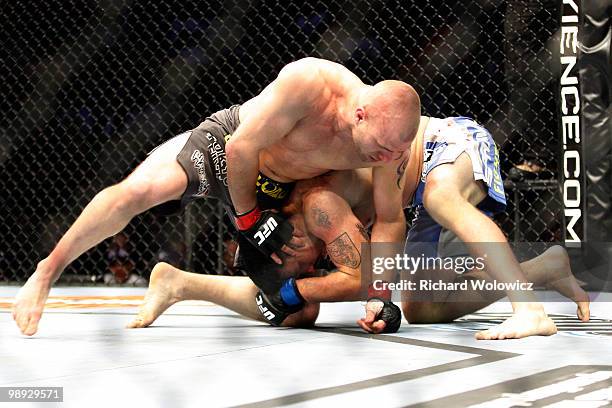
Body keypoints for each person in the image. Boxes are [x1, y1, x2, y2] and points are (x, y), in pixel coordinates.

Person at [13, 57, 420, 336]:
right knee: (139, 192)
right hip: (230, 151)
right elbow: (241, 148)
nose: (386, 159)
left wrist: (379, 297)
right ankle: (47, 270)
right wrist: (248, 221)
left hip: (278, 192)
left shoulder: (388, 146)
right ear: (360, 113)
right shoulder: (311, 84)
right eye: (383, 149)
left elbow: (388, 218)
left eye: (395, 153)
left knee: (296, 311)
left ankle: (178, 282)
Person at [129, 116, 590, 338]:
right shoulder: (293, 224)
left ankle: (529, 309)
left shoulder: (321, 207)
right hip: (404, 195)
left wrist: (307, 292)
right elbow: (307, 287)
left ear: (297, 242)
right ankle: (181, 283)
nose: (305, 271)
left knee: (440, 196)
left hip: (441, 144)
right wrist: (294, 294)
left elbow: (359, 276)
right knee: (423, 309)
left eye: (298, 268)